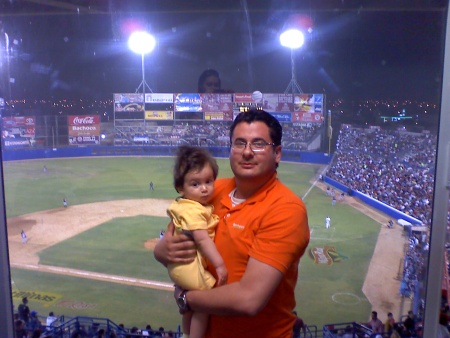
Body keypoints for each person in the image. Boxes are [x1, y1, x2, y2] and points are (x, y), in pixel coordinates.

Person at [154, 109, 310, 338]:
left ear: (277, 153)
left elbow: (249, 300)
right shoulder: (211, 190)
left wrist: (186, 299)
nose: (247, 152)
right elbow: (172, 236)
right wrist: (161, 251)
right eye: (239, 143)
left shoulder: (286, 209)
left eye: (258, 144)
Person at [166, 146, 227, 338]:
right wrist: (219, 264)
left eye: (209, 181)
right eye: (195, 184)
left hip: (180, 270)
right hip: (189, 269)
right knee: (204, 302)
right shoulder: (193, 210)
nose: (204, 188)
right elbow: (201, 238)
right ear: (180, 188)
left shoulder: (183, 204)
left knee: (190, 308)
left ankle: (186, 333)